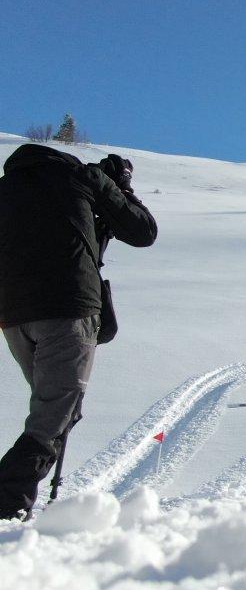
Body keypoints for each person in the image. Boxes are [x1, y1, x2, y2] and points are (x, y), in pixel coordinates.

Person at [0, 145, 157, 520]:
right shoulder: (82, 177)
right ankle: (8, 504)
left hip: (12, 315)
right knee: (53, 417)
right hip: (69, 308)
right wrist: (121, 188)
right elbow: (142, 230)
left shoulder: (4, 188)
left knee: (52, 409)